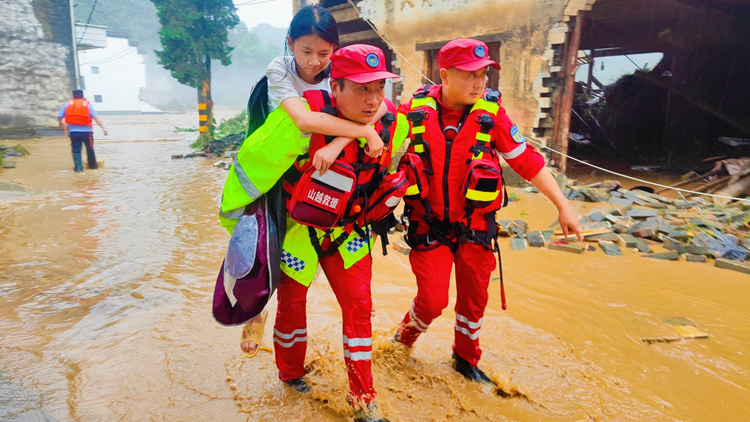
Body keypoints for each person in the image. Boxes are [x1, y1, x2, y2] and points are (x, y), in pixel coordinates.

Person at [219, 44, 405, 422]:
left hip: (350, 232)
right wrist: (242, 237)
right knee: (291, 308)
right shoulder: (293, 124)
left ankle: (363, 400)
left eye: (379, 89)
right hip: (297, 233)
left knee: (359, 308)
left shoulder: (391, 124)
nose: (372, 100)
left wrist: (347, 138)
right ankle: (290, 376)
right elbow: (248, 174)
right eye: (360, 89)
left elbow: (395, 153)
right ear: (334, 88)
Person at [392, 39, 582, 383]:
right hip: (428, 225)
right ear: (445, 75)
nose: (480, 83)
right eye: (470, 76)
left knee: (474, 300)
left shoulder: (491, 116)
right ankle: (402, 340)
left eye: (484, 75)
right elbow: (379, 138)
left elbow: (526, 161)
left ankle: (465, 360)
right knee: (433, 301)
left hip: (476, 227)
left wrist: (562, 205)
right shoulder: (413, 111)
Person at [239, 4, 390, 358]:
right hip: (278, 165)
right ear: (290, 43)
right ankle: (255, 310)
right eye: (306, 51)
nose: (314, 62)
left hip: (322, 168)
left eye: (324, 53)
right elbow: (304, 121)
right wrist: (363, 132)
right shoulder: (279, 69)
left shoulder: (340, 70)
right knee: (260, 239)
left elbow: (381, 105)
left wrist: (340, 142)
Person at [57, 89, 107, 172]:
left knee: (76, 151)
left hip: (74, 133)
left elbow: (59, 116)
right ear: (83, 96)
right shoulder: (88, 105)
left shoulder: (67, 105)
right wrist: (103, 128)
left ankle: (79, 169)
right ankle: (93, 167)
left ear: (73, 97)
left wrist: (60, 123)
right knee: (90, 149)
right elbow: (96, 117)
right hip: (87, 133)